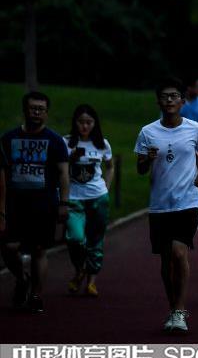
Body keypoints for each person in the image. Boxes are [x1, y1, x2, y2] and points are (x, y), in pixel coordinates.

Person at [135, 78, 198, 333]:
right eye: (165, 96)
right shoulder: (147, 132)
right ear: (158, 101)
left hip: (187, 201)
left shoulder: (195, 129)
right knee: (166, 260)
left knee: (180, 253)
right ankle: (172, 307)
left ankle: (179, 311)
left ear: (183, 101)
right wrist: (147, 159)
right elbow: (140, 169)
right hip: (160, 204)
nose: (169, 100)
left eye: (174, 96)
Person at [0, 92, 70, 313]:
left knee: (39, 249)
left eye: (41, 109)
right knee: (8, 247)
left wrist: (64, 203)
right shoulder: (8, 138)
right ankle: (22, 278)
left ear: (46, 113)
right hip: (14, 203)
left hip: (44, 203)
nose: (37, 113)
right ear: (25, 110)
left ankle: (36, 294)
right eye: (33, 108)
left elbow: (63, 173)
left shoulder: (55, 140)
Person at [64, 104, 114, 298]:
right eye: (81, 122)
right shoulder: (66, 142)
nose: (85, 126)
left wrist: (106, 188)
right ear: (75, 123)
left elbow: (110, 166)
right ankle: (80, 270)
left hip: (97, 197)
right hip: (74, 198)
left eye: (89, 122)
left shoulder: (102, 144)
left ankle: (92, 281)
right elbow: (59, 169)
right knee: (75, 238)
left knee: (95, 239)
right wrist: (71, 158)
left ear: (95, 123)